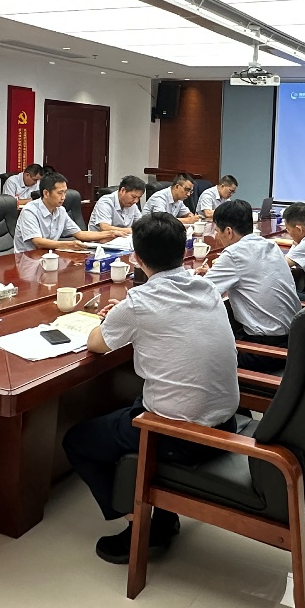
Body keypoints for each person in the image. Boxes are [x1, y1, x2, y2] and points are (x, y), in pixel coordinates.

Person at [63, 211, 239, 564]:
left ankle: (142, 524)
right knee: (138, 399)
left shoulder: (140, 302)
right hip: (225, 421)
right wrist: (126, 314)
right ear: (183, 251)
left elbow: (96, 343)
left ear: (136, 258)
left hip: (178, 436)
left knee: (77, 441)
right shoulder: (205, 287)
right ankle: (162, 512)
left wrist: (118, 317)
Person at [196, 199, 301, 371]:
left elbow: (200, 294)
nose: (217, 236)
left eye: (217, 231)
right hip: (294, 340)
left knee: (196, 359)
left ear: (228, 231)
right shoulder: (270, 245)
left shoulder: (234, 254)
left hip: (266, 350)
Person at [13, 171, 116, 251]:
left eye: (65, 193)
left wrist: (111, 234)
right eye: (60, 193)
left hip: (49, 256)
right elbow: (38, 242)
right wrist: (67, 245)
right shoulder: (30, 211)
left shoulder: (60, 211)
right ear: (46, 193)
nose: (63, 197)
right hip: (27, 259)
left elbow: (79, 234)